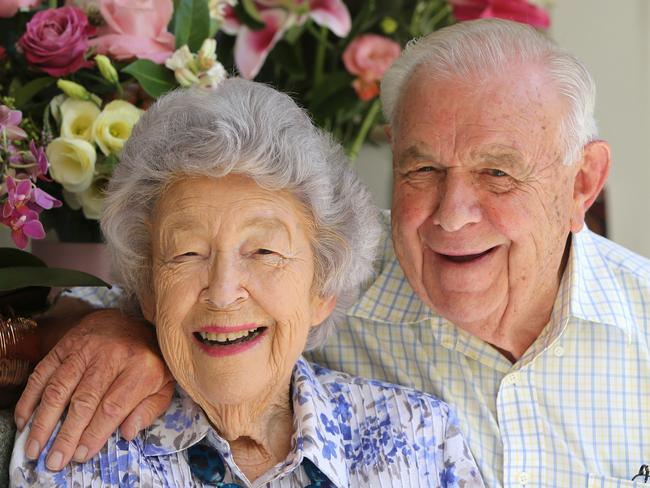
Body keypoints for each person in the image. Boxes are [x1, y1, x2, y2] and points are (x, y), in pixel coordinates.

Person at [12, 18, 650, 487]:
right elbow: (100, 303)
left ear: (582, 185)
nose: (452, 215)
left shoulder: (639, 324)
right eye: (422, 169)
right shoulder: (338, 259)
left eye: (498, 175)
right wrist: (127, 328)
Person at [10, 79, 483, 487]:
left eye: (264, 252)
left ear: (323, 288)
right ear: (149, 291)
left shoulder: (419, 437)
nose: (222, 291)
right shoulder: (73, 450)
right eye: (187, 253)